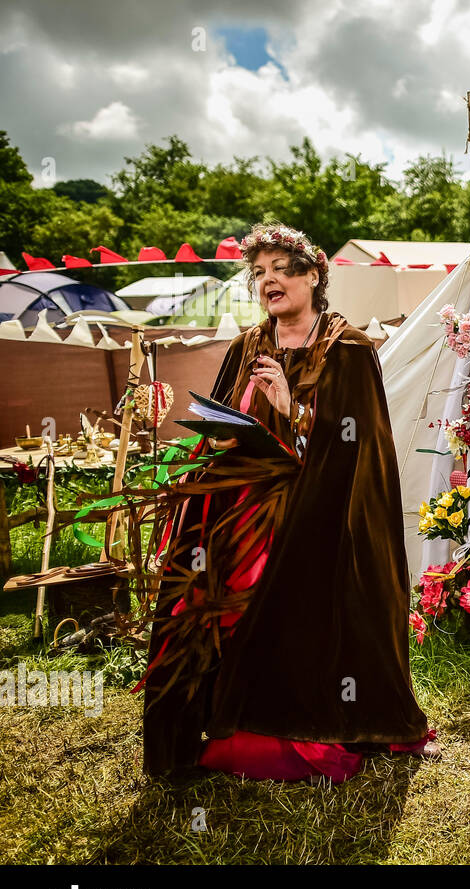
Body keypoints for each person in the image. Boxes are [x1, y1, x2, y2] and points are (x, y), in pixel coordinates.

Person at [139, 222, 437, 782]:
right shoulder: (245, 345)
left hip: (319, 511)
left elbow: (357, 446)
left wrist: (291, 411)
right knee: (205, 604)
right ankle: (216, 724)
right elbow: (224, 428)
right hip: (239, 511)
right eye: (258, 274)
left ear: (314, 276)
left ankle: (304, 728)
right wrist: (222, 431)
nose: (267, 282)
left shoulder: (347, 349)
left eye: (280, 271)